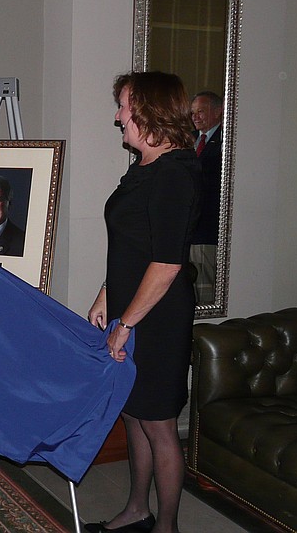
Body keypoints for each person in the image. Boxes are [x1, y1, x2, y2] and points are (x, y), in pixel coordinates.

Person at [86, 71, 201, 533]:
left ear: (149, 111)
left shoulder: (175, 173)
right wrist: (106, 294)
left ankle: (166, 527)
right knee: (133, 414)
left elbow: (167, 262)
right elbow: (132, 244)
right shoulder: (145, 166)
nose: (118, 117)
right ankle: (137, 509)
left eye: (124, 107)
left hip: (158, 317)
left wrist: (126, 324)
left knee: (159, 424)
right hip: (132, 305)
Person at [189, 91, 223, 304]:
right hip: (190, 232)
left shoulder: (226, 142)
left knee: (207, 295)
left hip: (208, 231)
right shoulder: (190, 141)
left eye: (201, 111)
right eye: (192, 113)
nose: (195, 117)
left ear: (218, 111)